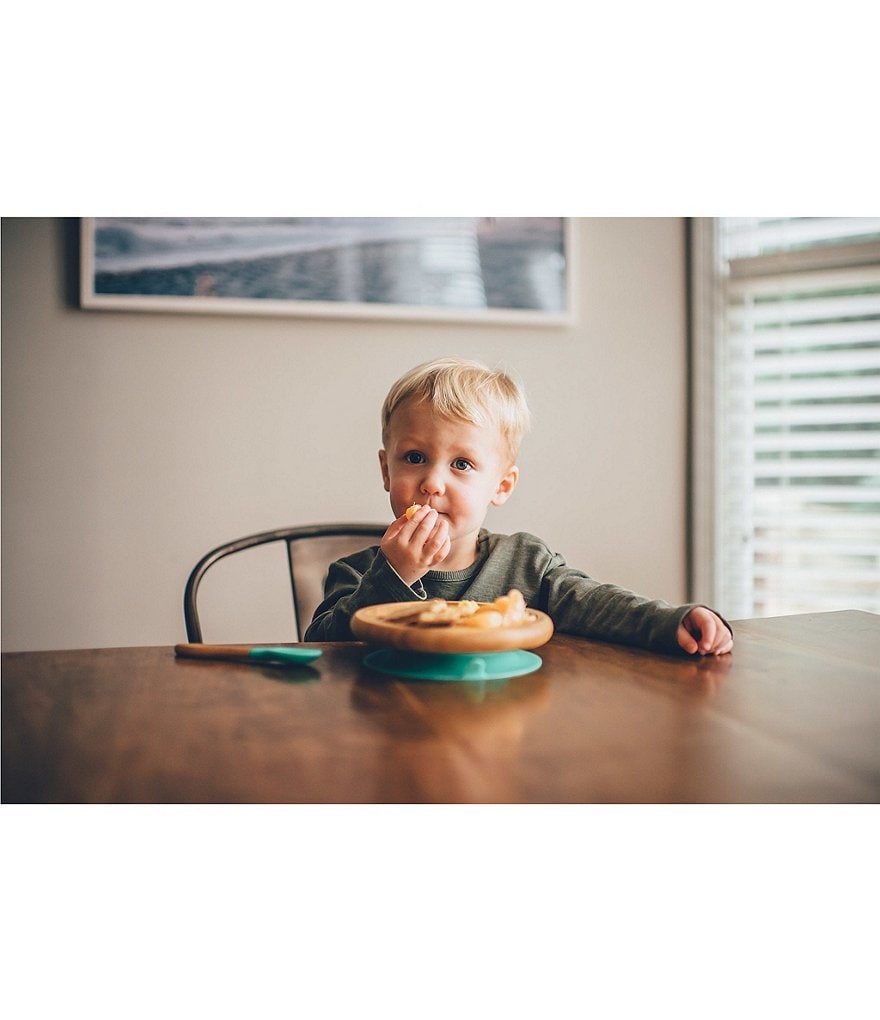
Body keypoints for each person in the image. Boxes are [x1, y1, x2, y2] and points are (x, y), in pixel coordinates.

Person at [304, 357, 733, 656]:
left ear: (501, 485)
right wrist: (395, 576)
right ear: (385, 469)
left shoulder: (527, 565)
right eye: (414, 458)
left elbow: (598, 604)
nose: (433, 482)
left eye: (462, 464)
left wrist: (669, 622)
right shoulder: (356, 573)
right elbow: (324, 648)